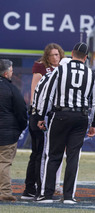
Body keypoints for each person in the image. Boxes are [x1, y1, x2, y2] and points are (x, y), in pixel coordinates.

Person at [36, 42, 95, 204]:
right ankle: (69, 196)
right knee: (73, 157)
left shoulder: (60, 70)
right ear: (86, 58)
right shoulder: (92, 74)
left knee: (53, 155)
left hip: (61, 115)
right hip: (81, 118)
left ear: (72, 53)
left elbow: (48, 94)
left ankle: (47, 194)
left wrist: (41, 116)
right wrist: (94, 123)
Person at [21, 43, 64, 200]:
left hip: (50, 114)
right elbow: (34, 93)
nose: (55, 57)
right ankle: (38, 189)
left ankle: (30, 189)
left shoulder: (62, 68)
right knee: (40, 154)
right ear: (47, 56)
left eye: (57, 54)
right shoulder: (40, 67)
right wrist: (37, 113)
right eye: (52, 55)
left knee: (38, 153)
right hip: (40, 114)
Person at [0, 59, 27, 202]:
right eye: (11, 70)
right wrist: (20, 128)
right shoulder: (12, 89)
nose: (12, 73)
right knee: (4, 162)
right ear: (6, 73)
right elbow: (22, 111)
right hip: (7, 133)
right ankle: (5, 192)